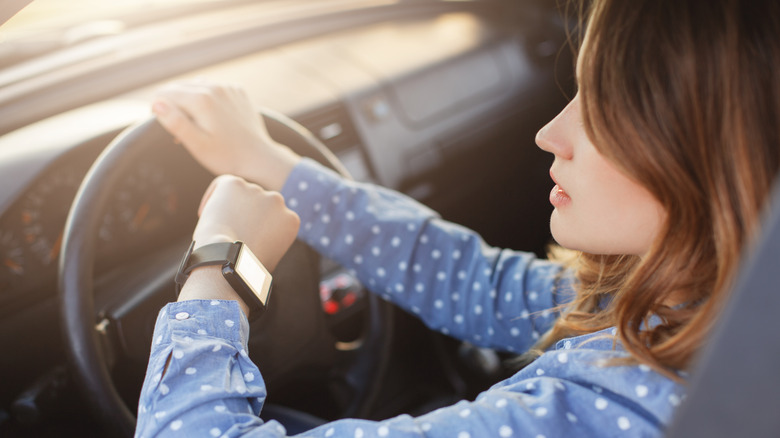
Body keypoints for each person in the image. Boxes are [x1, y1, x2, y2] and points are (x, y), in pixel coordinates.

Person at [134, 0, 780, 436]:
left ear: (718, 161)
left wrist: (223, 265)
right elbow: (476, 280)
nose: (550, 133)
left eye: (610, 111)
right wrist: (271, 164)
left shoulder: (610, 406)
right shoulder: (693, 312)